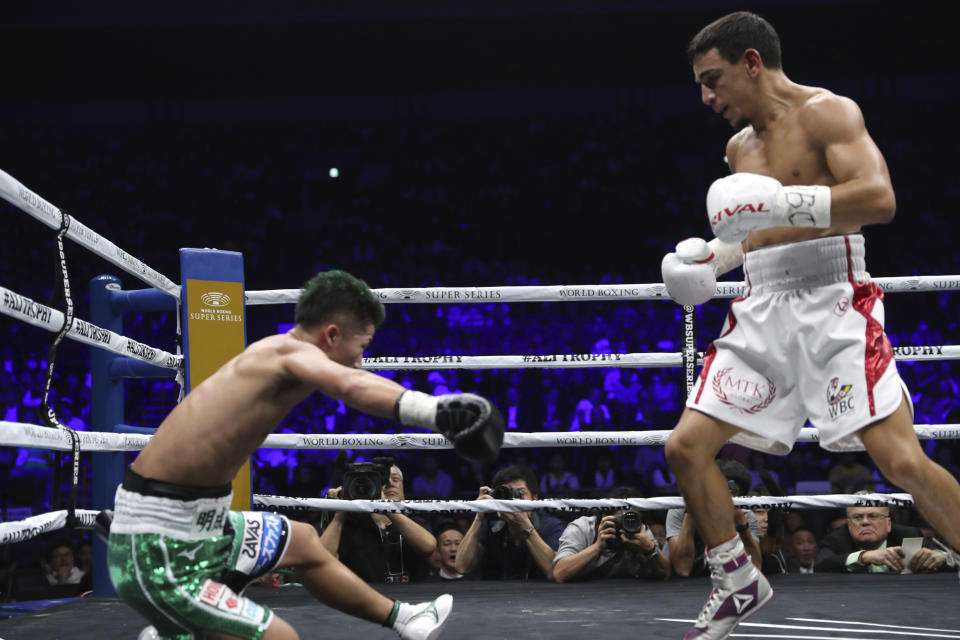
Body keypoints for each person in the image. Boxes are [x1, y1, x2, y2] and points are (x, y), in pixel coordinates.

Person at [661, 12, 960, 639]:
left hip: (833, 298)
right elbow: (751, 233)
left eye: (713, 79)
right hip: (763, 303)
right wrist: (709, 261)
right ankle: (738, 581)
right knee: (685, 449)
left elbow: (878, 199)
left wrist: (788, 203)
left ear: (751, 61)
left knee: (900, 461)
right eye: (699, 85)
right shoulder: (738, 148)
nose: (707, 96)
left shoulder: (830, 112)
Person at [106, 270, 505, 640]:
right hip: (158, 548)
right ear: (331, 335)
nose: (361, 360)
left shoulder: (278, 356)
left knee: (302, 541)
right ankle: (175, 626)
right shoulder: (288, 355)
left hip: (200, 527)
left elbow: (350, 376)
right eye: (361, 346)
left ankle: (406, 619)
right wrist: (436, 411)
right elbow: (351, 384)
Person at [320, 462, 437, 583]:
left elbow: (428, 547)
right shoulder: (352, 525)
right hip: (367, 598)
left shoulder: (416, 521)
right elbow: (321, 558)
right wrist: (340, 513)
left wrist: (386, 506)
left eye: (395, 479)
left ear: (403, 486)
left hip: (415, 597)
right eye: (382, 480)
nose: (390, 483)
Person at [455, 464, 564, 580]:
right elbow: (462, 567)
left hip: (541, 595)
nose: (512, 502)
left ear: (534, 499)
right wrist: (479, 516)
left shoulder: (551, 525)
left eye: (519, 494)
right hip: (496, 596)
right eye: (507, 494)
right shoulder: (490, 525)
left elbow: (554, 572)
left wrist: (525, 526)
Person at [666, 459, 761, 578]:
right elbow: (682, 569)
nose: (722, 497)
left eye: (731, 492)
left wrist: (740, 523)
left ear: (740, 496)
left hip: (724, 581)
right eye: (718, 489)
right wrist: (691, 513)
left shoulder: (745, 516)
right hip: (681, 586)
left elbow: (755, 568)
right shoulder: (680, 510)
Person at [552, 487, 670, 582]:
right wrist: (597, 547)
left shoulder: (639, 530)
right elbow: (560, 573)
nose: (627, 524)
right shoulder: (583, 529)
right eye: (622, 519)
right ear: (605, 517)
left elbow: (665, 573)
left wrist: (649, 549)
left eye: (633, 519)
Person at [816, 504, 954, 573]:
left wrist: (942, 557)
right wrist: (864, 557)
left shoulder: (908, 535)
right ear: (849, 524)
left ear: (888, 524)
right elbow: (820, 566)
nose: (865, 522)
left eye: (873, 516)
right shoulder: (837, 539)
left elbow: (952, 559)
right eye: (858, 517)